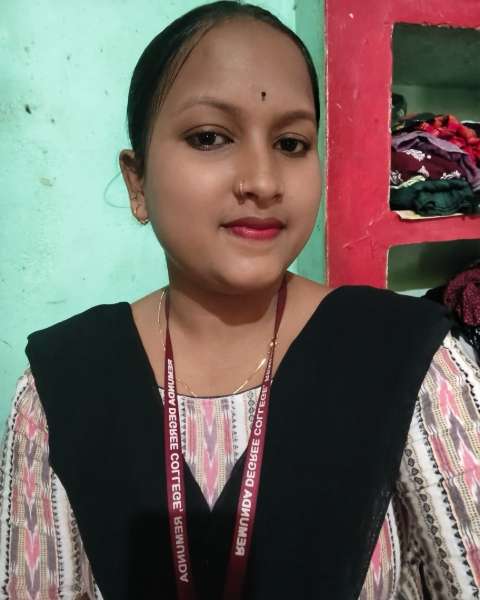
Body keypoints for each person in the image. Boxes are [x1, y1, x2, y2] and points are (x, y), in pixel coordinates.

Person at [1, 2, 479, 599]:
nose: (262, 180)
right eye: (210, 137)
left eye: (291, 143)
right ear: (137, 181)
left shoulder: (410, 362)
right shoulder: (60, 388)